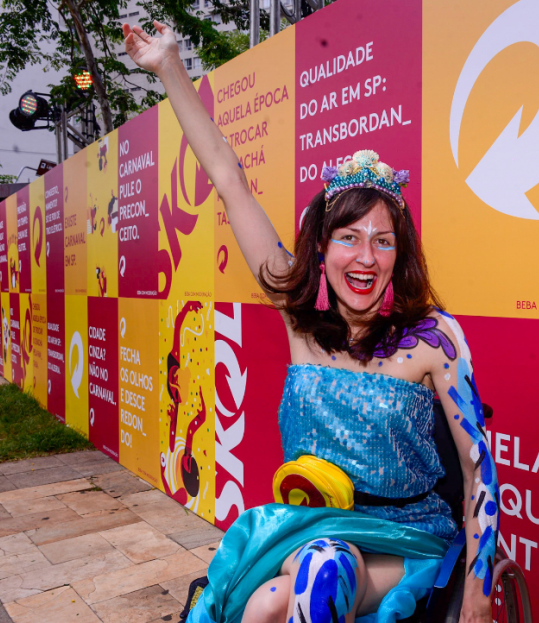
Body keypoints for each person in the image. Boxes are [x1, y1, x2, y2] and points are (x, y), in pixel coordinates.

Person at [123, 21, 500, 623]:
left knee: (320, 571)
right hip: (315, 528)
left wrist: (478, 588)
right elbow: (229, 180)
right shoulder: (302, 324)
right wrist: (169, 65)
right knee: (267, 603)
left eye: (383, 241)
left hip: (405, 539)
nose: (366, 257)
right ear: (322, 248)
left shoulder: (434, 339)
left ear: (399, 256)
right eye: (349, 237)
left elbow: (479, 469)